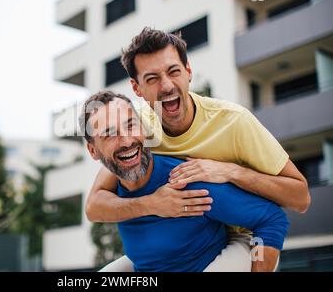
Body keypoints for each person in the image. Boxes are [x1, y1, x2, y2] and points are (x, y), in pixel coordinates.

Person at [85, 28, 310, 271]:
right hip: (179, 241)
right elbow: (95, 205)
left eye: (174, 71)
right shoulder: (134, 130)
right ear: (137, 88)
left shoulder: (234, 122)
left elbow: (300, 198)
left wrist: (230, 171)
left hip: (244, 236)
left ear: (188, 71)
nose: (167, 85)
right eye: (151, 79)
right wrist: (152, 204)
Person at [80, 91, 289, 272]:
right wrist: (151, 204)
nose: (126, 140)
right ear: (93, 151)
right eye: (109, 134)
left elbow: (272, 219)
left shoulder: (187, 182)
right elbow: (93, 208)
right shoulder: (113, 190)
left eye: (131, 126)